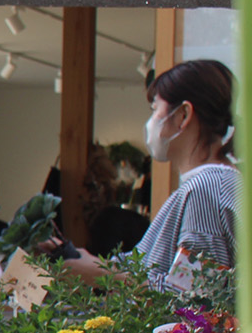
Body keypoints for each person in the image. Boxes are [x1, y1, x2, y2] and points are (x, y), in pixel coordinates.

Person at [53, 59, 237, 284]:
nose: (151, 121)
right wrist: (78, 258)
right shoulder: (213, 185)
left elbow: (193, 296)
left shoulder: (205, 190)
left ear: (183, 115)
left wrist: (102, 276)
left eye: (155, 109)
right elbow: (146, 267)